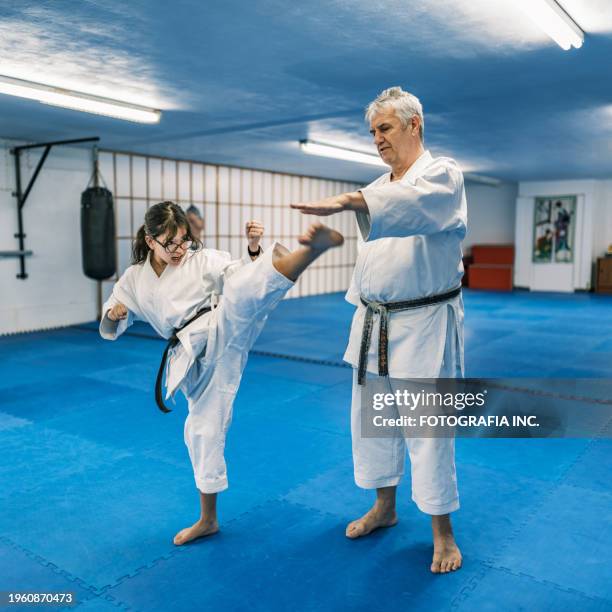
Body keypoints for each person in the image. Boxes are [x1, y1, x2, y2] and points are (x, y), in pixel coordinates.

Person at [291, 87, 467, 573]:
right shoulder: (377, 185)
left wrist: (351, 199)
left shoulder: (443, 174)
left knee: (428, 431)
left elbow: (416, 205)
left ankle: (442, 533)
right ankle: (384, 508)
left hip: (425, 325)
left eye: (385, 128)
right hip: (374, 323)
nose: (377, 139)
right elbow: (377, 258)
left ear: (415, 125)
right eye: (372, 131)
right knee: (371, 425)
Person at [99, 201, 343, 545]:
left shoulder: (204, 259)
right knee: (202, 431)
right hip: (190, 353)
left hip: (220, 322)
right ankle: (208, 519)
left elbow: (238, 275)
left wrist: (255, 251)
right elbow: (110, 323)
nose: (180, 249)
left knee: (243, 293)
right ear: (151, 240)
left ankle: (309, 251)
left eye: (184, 239)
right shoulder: (134, 279)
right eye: (171, 243)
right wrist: (116, 313)